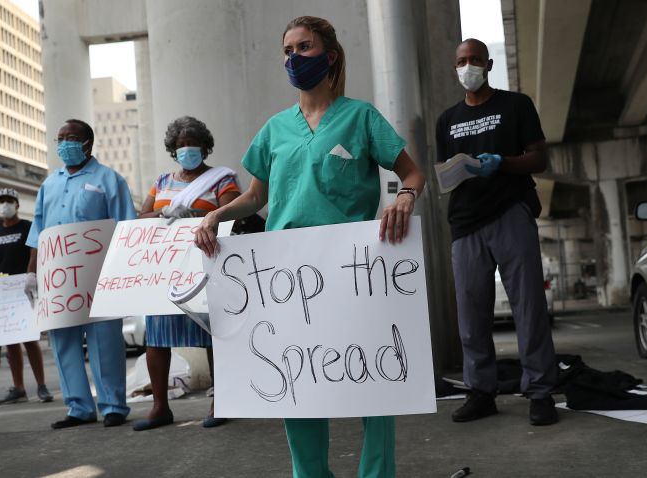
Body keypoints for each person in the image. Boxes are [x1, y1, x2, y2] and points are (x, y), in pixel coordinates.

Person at [194, 16, 425, 478]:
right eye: (288, 50)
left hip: (357, 272)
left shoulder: (361, 118)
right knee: (296, 380)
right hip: (288, 278)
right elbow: (257, 196)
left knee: (374, 378)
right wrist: (217, 215)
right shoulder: (276, 128)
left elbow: (414, 173)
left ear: (330, 55)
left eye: (304, 47)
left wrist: (403, 196)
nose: (294, 58)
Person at [435, 38, 558, 426]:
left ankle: (540, 392)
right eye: (460, 61)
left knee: (528, 308)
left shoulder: (515, 105)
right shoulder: (447, 120)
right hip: (466, 222)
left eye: (474, 60)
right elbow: (444, 174)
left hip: (511, 213)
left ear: (488, 65)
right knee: (471, 316)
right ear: (454, 68)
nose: (467, 67)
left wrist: (501, 162)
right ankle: (481, 391)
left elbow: (539, 156)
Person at [24, 119, 137, 429]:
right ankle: (78, 407)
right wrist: (32, 272)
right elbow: (39, 230)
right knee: (64, 343)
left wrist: (121, 273)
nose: (64, 143)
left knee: (105, 342)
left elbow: (125, 226)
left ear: (88, 142)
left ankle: (113, 405)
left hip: (99, 277)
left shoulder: (109, 180)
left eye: (71, 137)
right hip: (57, 280)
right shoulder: (49, 184)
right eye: (60, 138)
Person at [132, 116, 241, 432]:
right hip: (166, 268)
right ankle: (159, 406)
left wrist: (197, 215)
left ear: (205, 147)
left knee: (211, 334)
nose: (187, 149)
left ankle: (220, 401)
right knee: (156, 335)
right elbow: (143, 216)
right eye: (180, 145)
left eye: (192, 143)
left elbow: (233, 212)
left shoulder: (222, 180)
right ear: (172, 149)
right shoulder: (163, 183)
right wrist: (166, 212)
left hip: (207, 264)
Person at [0, 187, 54, 405]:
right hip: (2, 291)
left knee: (30, 340)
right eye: (1, 201)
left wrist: (33, 275)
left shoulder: (27, 228)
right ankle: (18, 388)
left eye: (9, 200)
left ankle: (41, 386)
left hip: (23, 290)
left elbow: (35, 253)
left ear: (17, 204)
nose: (5, 205)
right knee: (10, 342)